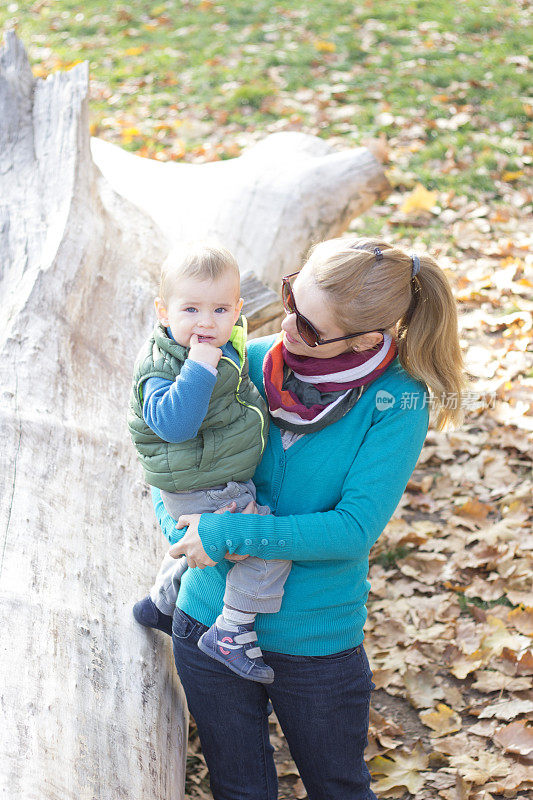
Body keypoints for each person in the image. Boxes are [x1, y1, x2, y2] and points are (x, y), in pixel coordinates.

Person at [154, 236, 466, 800]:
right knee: (240, 789)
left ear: (371, 338)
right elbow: (170, 461)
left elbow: (353, 528)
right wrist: (181, 529)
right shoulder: (243, 359)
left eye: (313, 327)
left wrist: (227, 532)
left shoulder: (398, 401)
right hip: (205, 621)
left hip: (314, 642)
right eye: (291, 299)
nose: (289, 327)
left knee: (338, 787)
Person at [128, 242, 294, 684]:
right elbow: (175, 425)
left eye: (220, 309)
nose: (206, 321)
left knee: (218, 537)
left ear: (238, 309)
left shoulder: (227, 346)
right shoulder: (165, 367)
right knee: (265, 546)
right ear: (164, 312)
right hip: (199, 486)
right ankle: (232, 632)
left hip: (215, 478)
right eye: (191, 309)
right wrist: (199, 367)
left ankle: (160, 601)